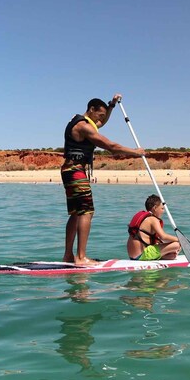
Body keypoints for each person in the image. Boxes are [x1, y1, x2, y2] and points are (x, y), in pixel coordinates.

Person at [62, 95, 143, 266]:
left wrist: (111, 105)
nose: (101, 120)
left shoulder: (84, 122)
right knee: (86, 212)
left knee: (76, 213)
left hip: (70, 170)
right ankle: (81, 257)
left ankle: (68, 256)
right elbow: (112, 147)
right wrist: (136, 152)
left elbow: (102, 123)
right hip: (76, 171)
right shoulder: (83, 126)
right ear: (91, 110)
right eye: (99, 115)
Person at [126, 194, 181, 261]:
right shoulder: (153, 219)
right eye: (162, 208)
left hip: (133, 256)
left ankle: (160, 256)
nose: (163, 211)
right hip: (142, 254)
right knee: (177, 245)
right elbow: (163, 237)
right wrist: (180, 239)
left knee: (172, 256)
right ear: (155, 208)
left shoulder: (145, 217)